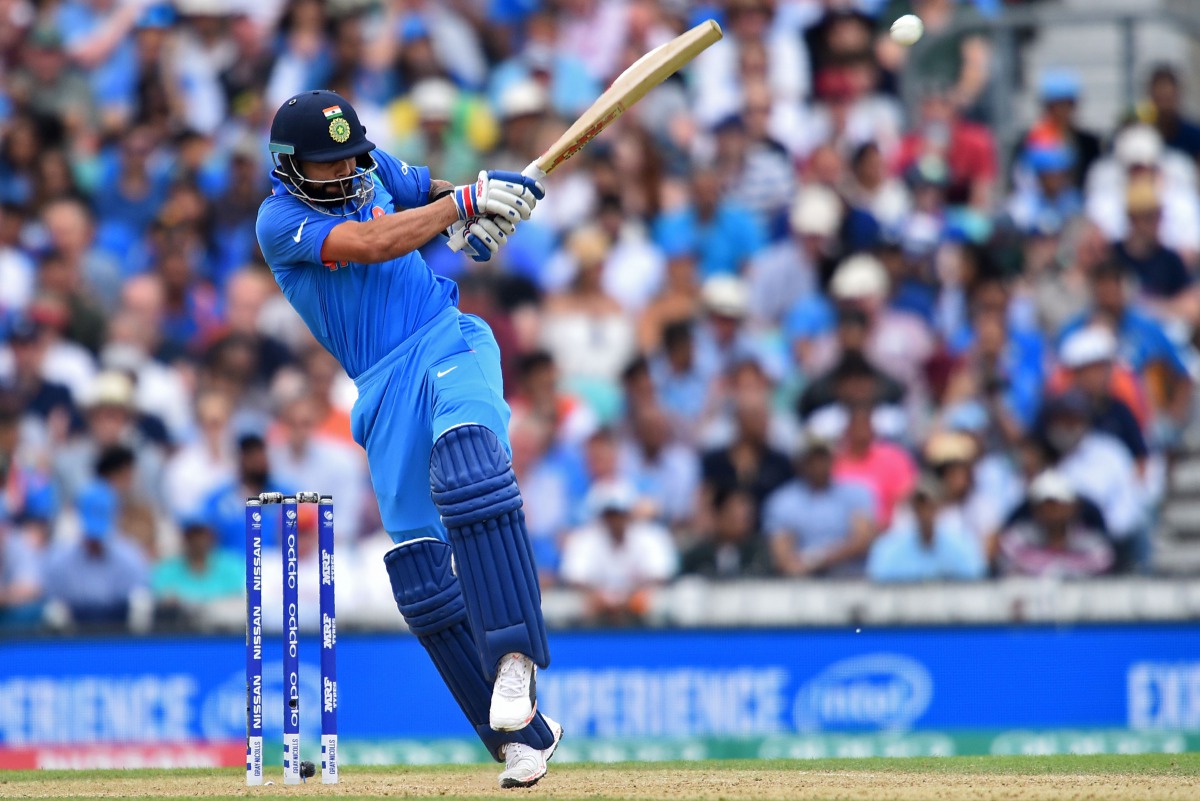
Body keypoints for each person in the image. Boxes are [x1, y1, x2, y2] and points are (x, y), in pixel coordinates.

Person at [254, 89, 558, 787]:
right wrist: (458, 209)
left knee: (470, 473)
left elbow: (431, 190)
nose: (346, 172)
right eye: (327, 165)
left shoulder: (368, 166)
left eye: (350, 156)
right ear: (289, 166)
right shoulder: (281, 220)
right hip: (382, 388)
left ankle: (516, 658)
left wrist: (485, 202)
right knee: (423, 578)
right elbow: (371, 241)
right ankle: (520, 736)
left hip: (448, 338)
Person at [866, 474, 986, 583]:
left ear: (940, 506)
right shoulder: (887, 548)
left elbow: (975, 579)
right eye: (919, 506)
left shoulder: (963, 544)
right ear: (912, 508)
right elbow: (878, 581)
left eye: (930, 505)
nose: (925, 512)